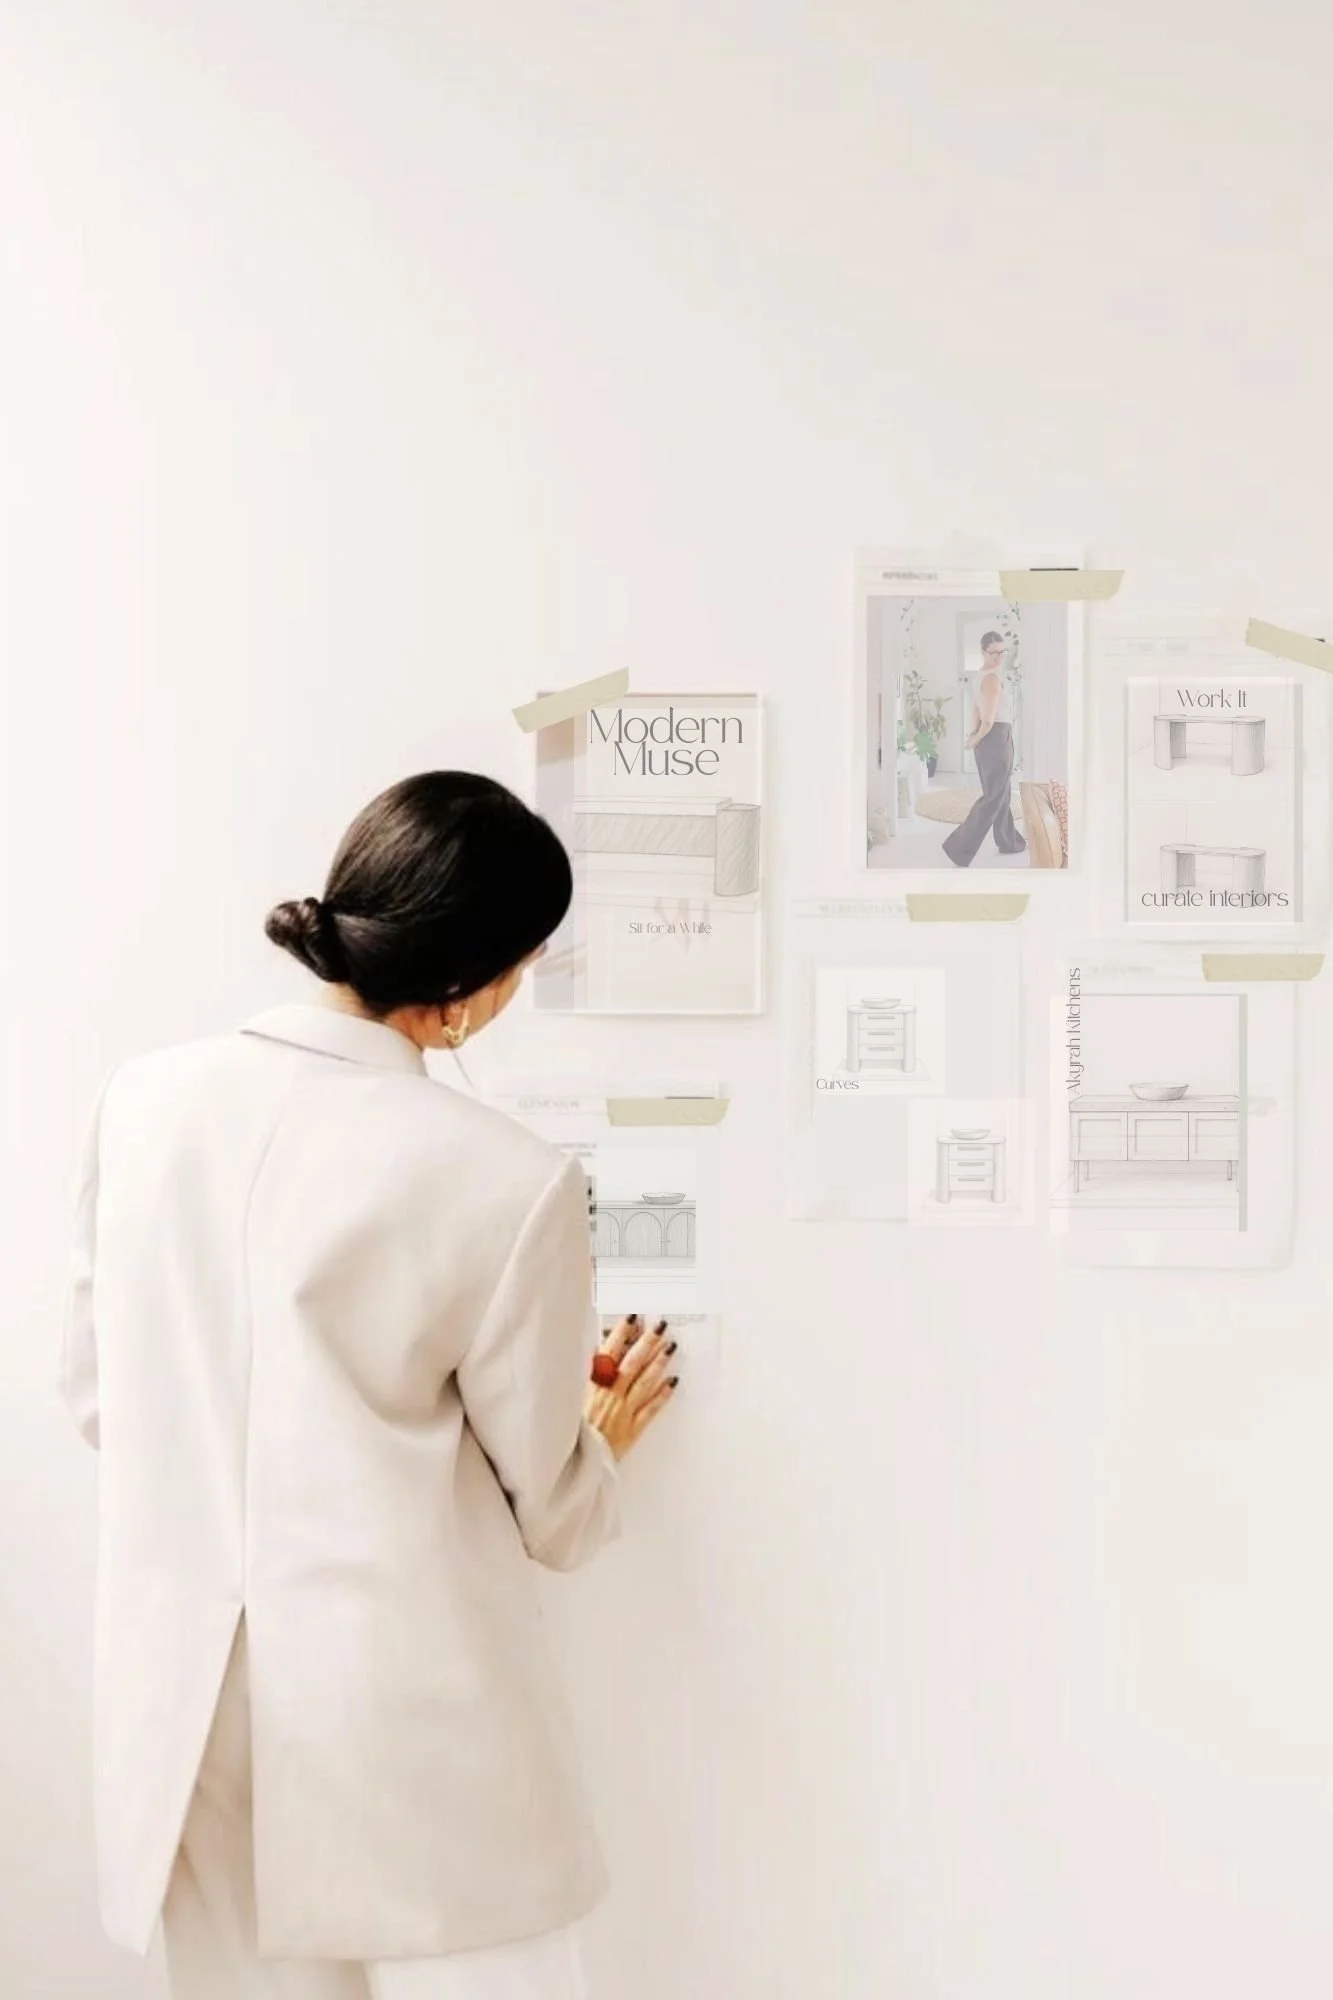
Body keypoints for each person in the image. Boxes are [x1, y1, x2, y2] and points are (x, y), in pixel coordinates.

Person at [61, 771, 679, 2000]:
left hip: (184, 1715)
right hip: (406, 1727)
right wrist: (596, 1431)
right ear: (475, 985)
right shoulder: (508, 1176)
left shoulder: (145, 1102)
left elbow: (97, 1396)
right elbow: (552, 1510)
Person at [941, 630, 1027, 867]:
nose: (999, 657)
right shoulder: (991, 678)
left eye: (1002, 651)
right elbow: (988, 718)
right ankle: (958, 847)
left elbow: (976, 709)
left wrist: (973, 734)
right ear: (983, 653)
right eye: (994, 653)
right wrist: (977, 737)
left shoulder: (980, 676)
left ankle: (1009, 841)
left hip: (989, 739)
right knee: (993, 796)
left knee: (1000, 793)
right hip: (996, 737)